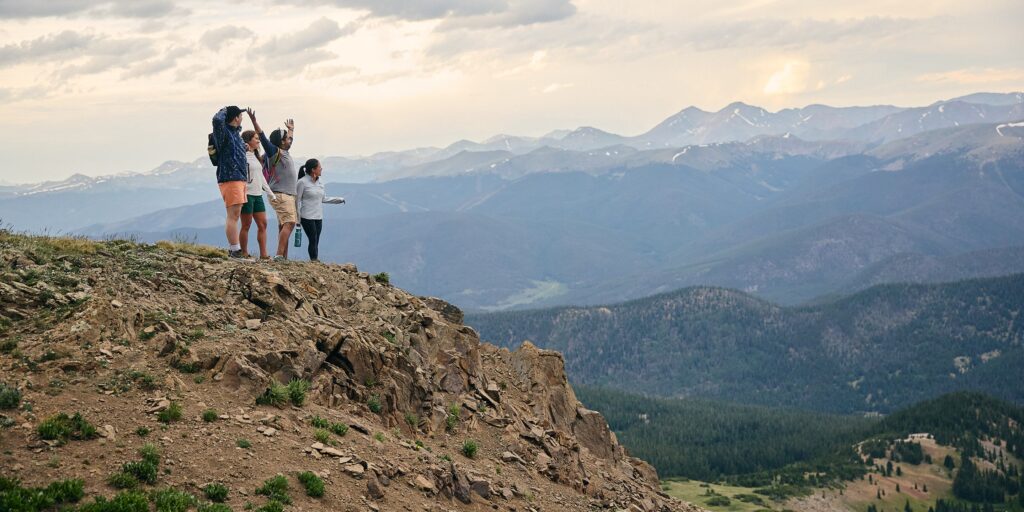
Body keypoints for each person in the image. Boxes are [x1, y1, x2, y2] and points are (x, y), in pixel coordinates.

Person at [245, 109, 297, 261]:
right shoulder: (274, 152)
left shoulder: (284, 151)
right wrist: (254, 122)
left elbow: (289, 140)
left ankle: (283, 257)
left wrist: (290, 130)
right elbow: (263, 137)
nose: (290, 140)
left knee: (283, 225)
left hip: (284, 194)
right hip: (282, 194)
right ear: (281, 142)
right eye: (287, 139)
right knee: (290, 222)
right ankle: (279, 256)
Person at [211, 105, 249, 259]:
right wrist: (225, 109)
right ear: (236, 118)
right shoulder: (224, 132)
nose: (242, 119)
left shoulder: (235, 134)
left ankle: (235, 249)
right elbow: (216, 120)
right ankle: (234, 250)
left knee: (236, 213)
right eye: (240, 115)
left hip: (238, 177)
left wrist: (243, 148)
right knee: (233, 214)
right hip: (230, 177)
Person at [295, 158, 344, 262]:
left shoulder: (321, 182)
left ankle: (315, 260)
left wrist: (338, 200)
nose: (321, 169)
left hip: (318, 216)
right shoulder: (302, 182)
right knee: (313, 238)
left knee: (316, 240)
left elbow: (323, 199)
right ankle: (314, 260)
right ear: (313, 169)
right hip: (306, 217)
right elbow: (297, 201)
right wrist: (298, 220)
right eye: (319, 167)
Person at [240, 130, 277, 259]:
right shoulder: (242, 156)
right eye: (256, 138)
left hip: (257, 195)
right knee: (246, 225)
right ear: (248, 140)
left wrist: (270, 193)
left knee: (263, 224)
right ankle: (243, 253)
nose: (258, 140)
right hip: (247, 195)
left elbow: (261, 177)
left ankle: (264, 254)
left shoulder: (256, 157)